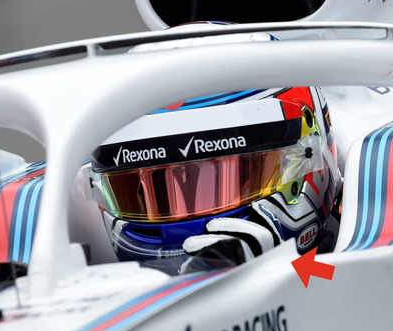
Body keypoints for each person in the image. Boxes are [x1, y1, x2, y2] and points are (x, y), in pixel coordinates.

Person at [83, 84, 342, 274]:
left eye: (223, 182)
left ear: (308, 158)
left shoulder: (361, 244)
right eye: (153, 192)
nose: (184, 223)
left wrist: (285, 276)